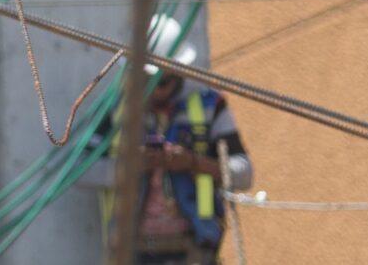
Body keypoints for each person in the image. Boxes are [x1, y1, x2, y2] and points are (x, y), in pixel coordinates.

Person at [98, 18, 256, 263]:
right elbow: (80, 173)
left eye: (163, 82)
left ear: (179, 72)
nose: (155, 91)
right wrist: (130, 165)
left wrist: (193, 162)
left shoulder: (209, 107)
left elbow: (244, 174)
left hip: (195, 249)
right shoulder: (116, 113)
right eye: (146, 82)